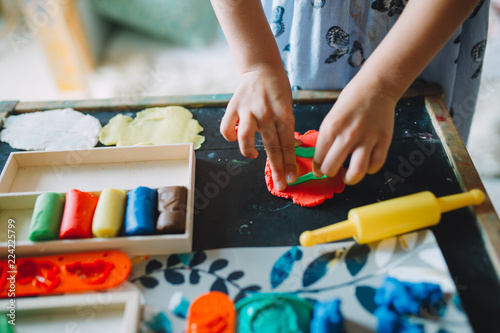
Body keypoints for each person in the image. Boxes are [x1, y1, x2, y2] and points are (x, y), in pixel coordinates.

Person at [210, 0, 489, 191]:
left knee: (427, 164)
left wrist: (383, 86)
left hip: (421, 35)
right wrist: (258, 62)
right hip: (301, 24)